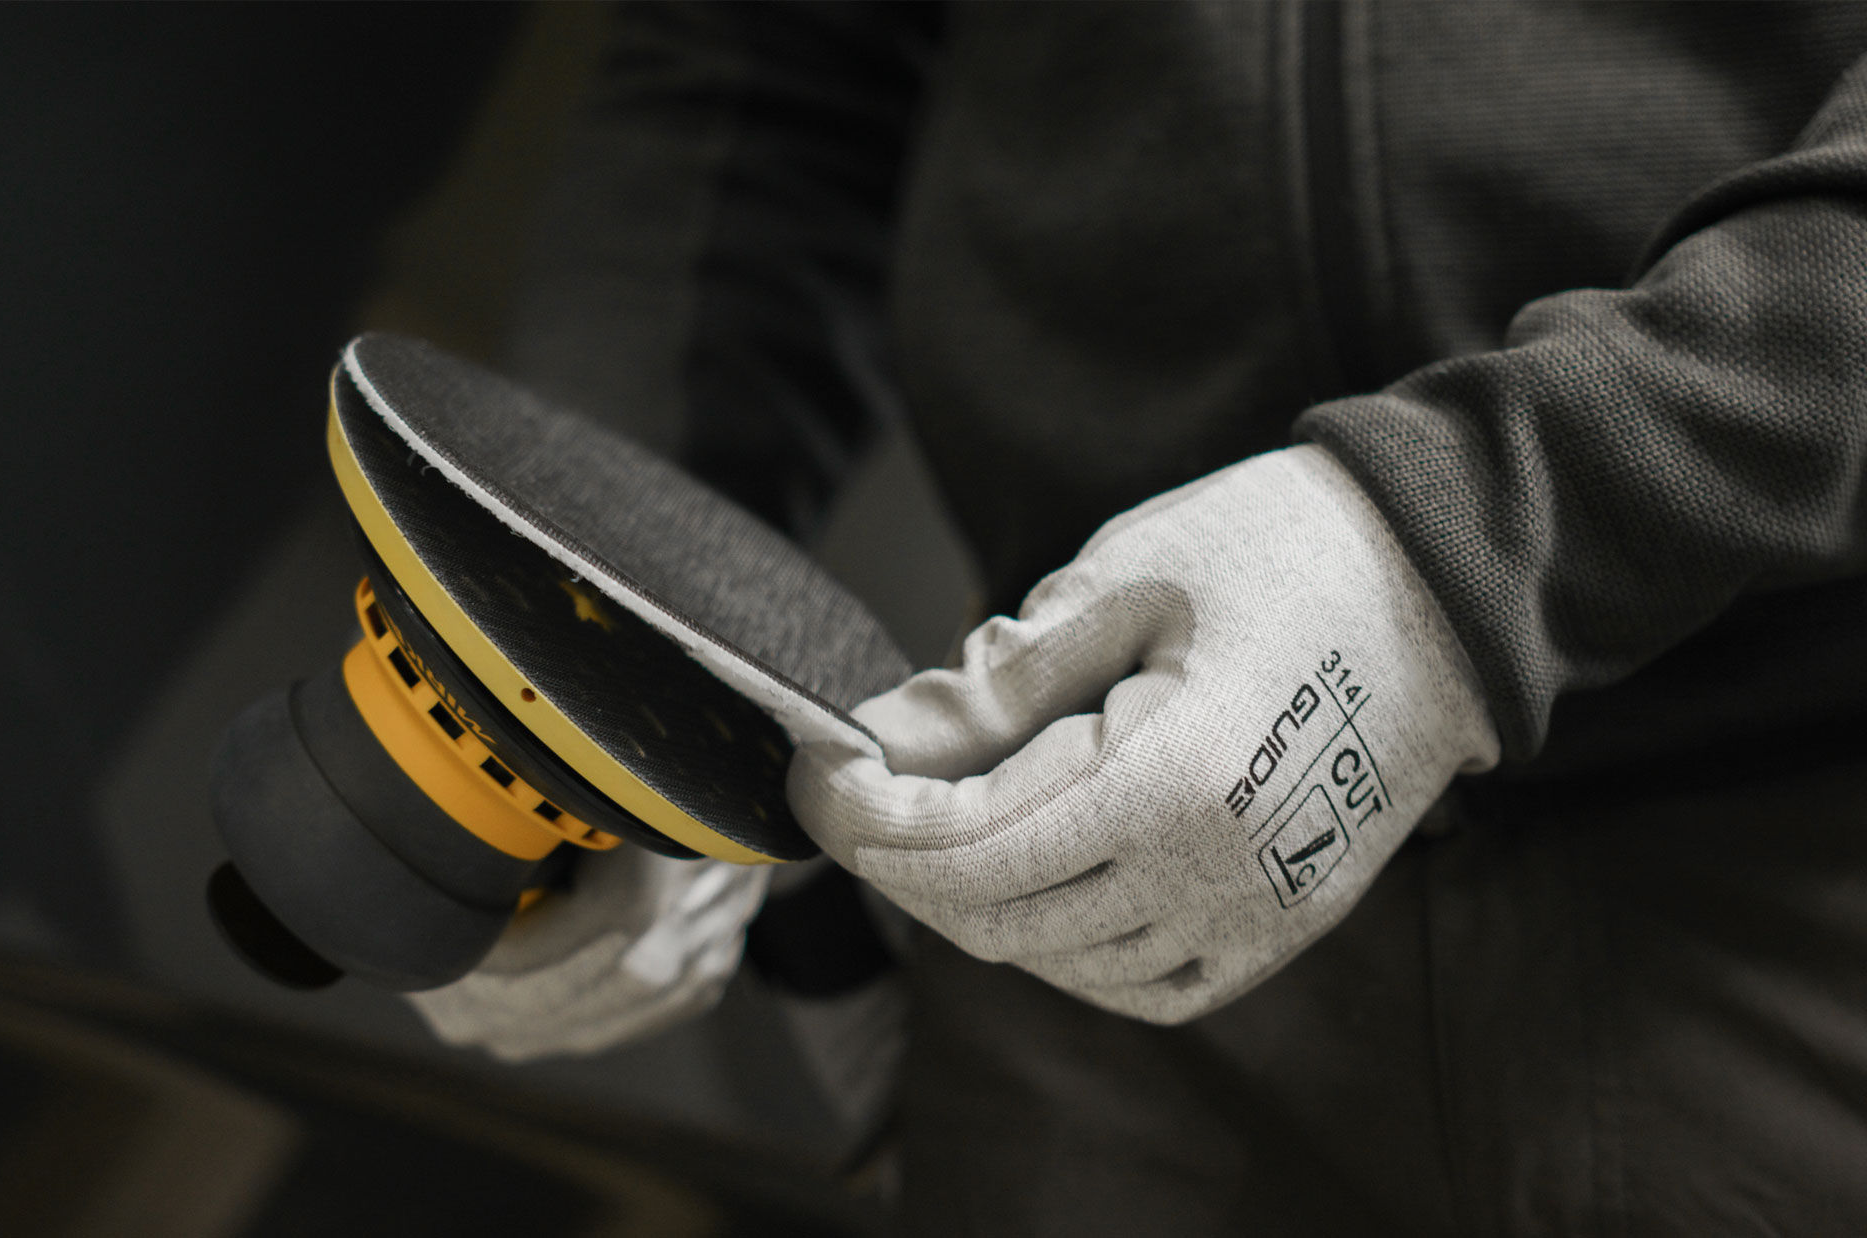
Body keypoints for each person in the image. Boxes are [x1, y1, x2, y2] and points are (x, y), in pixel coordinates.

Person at [413, 4, 1867, 1231]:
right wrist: (598, 640)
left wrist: (1466, 536)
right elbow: (773, 71)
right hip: (1095, 896)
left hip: (1802, 819)